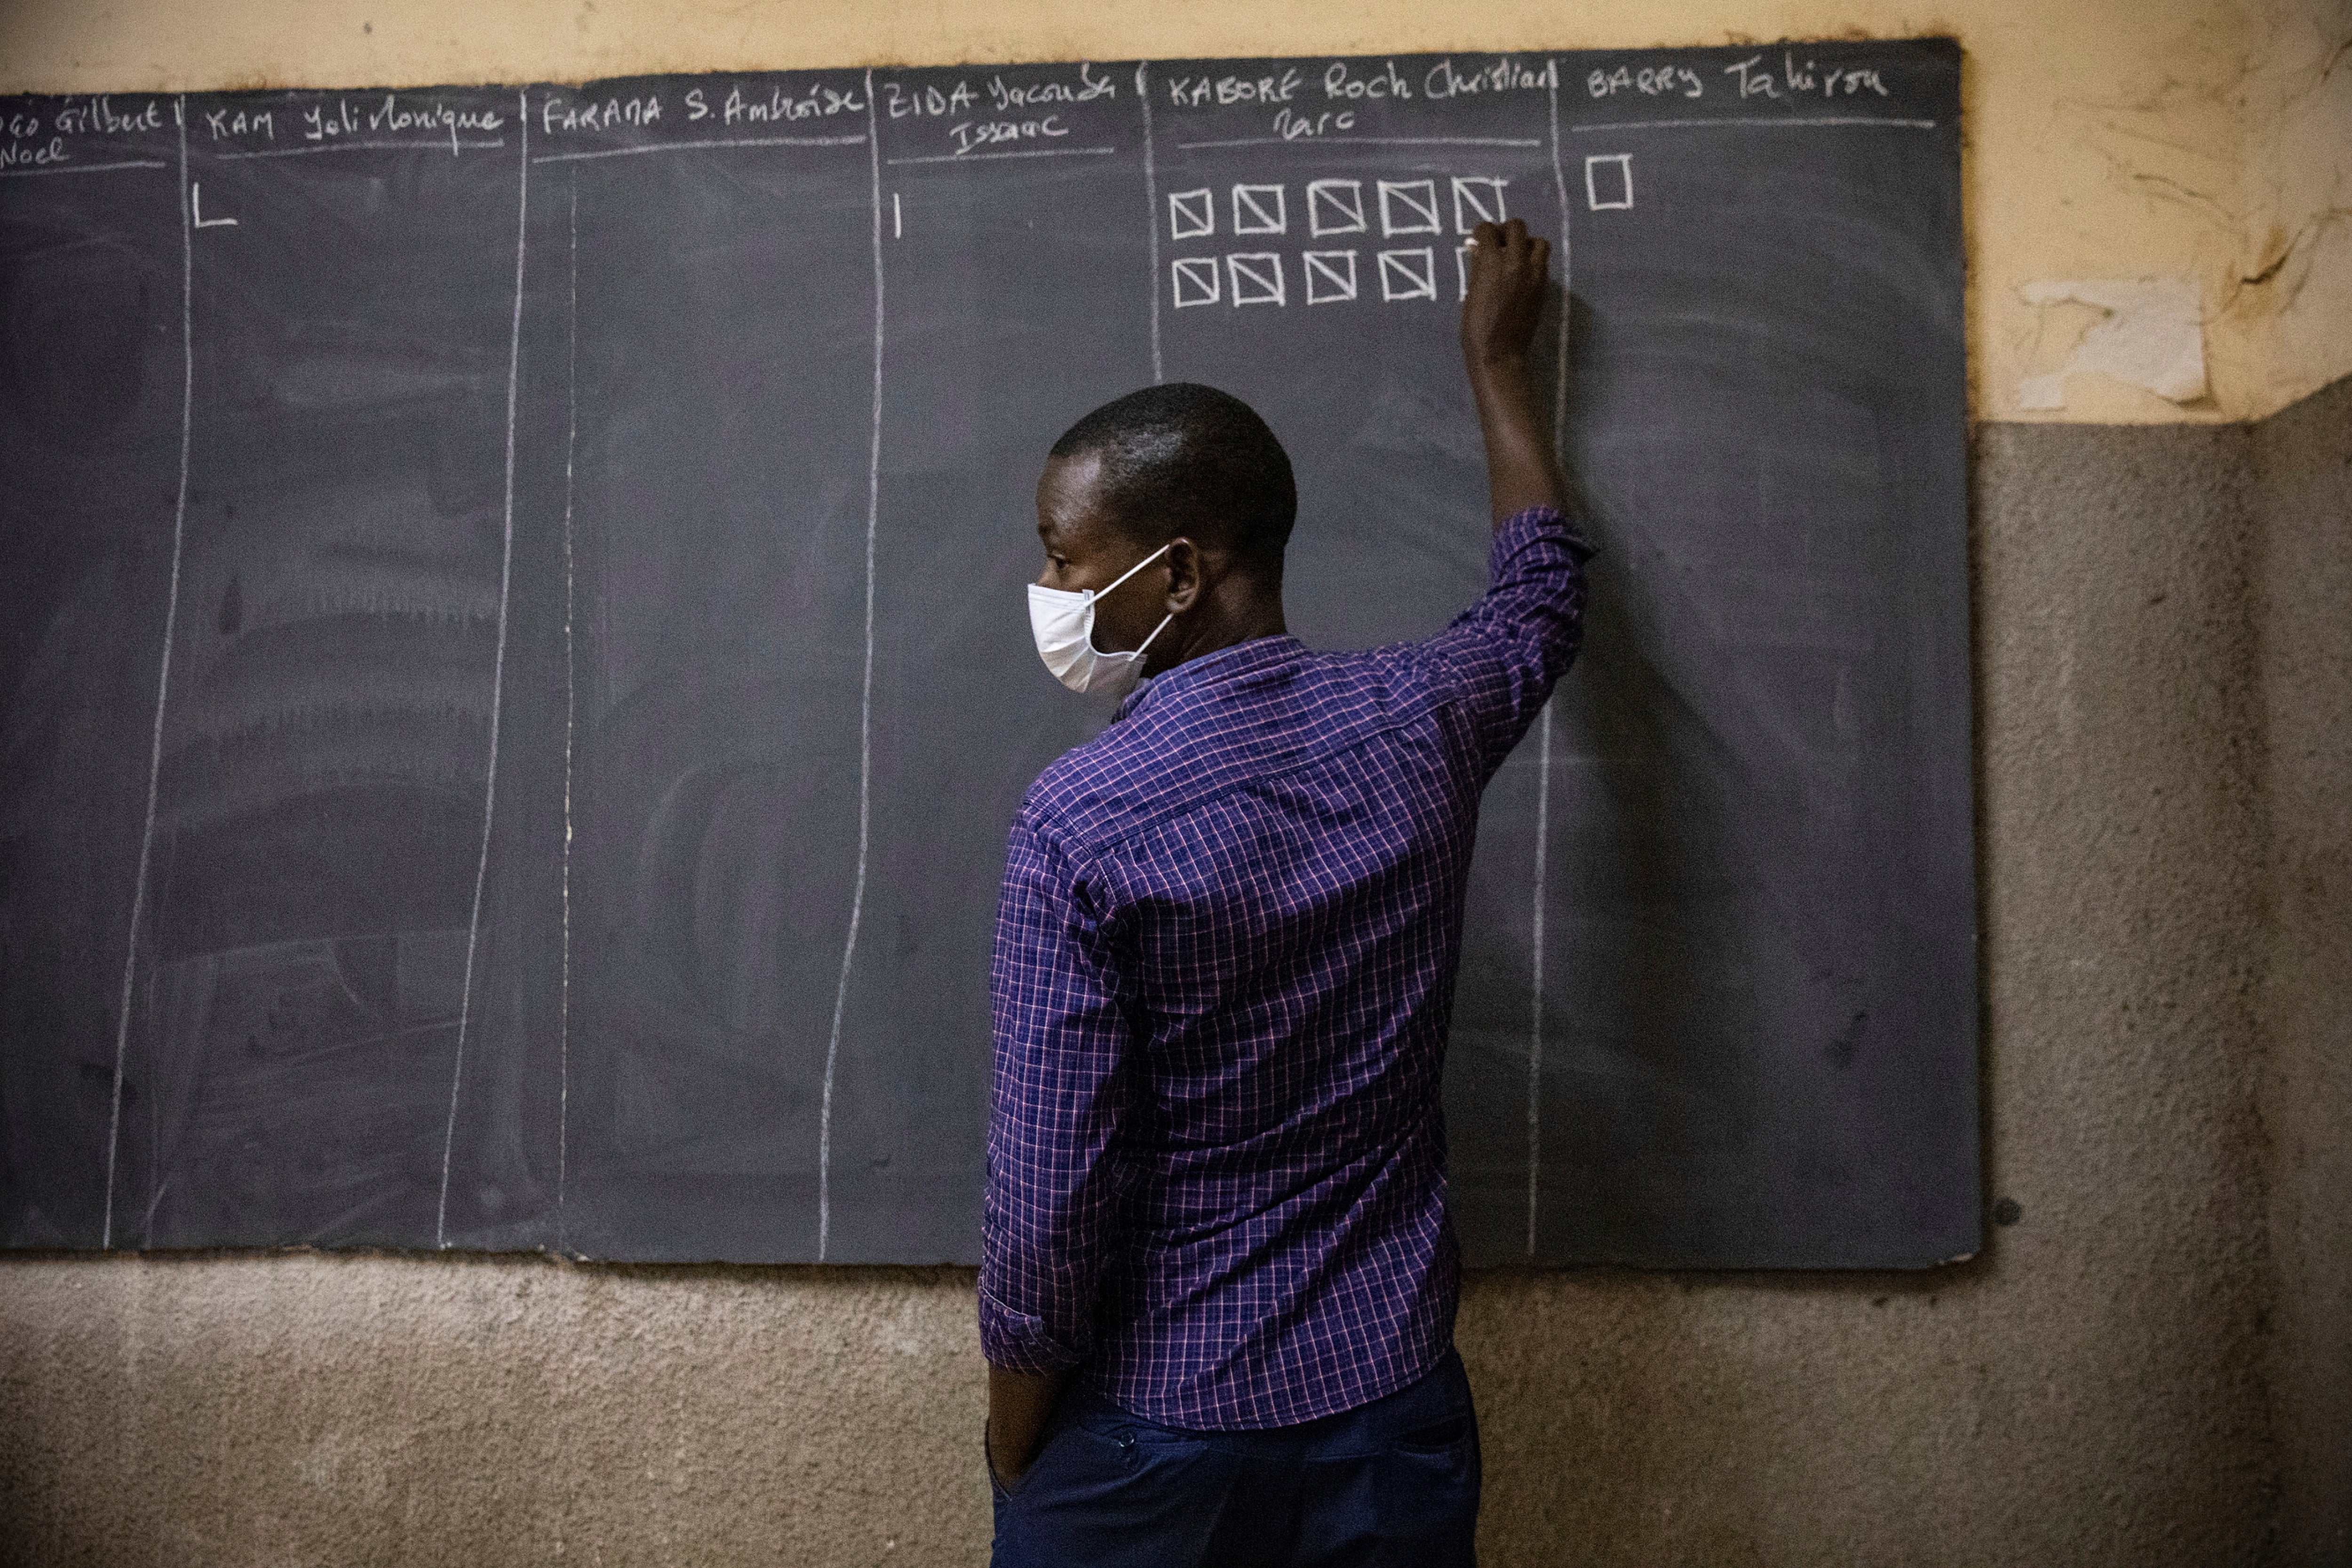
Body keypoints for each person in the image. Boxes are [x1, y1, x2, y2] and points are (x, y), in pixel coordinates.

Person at [982, 217, 1588, 1567]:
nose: (1047, 589)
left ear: (1180, 573)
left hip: (1151, 1428)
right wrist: (1496, 364)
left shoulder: (1078, 825)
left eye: (1066, 557)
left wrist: (1016, 1433)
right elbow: (1540, 602)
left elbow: (1045, 1202)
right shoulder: (1419, 723)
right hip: (1388, 1408)